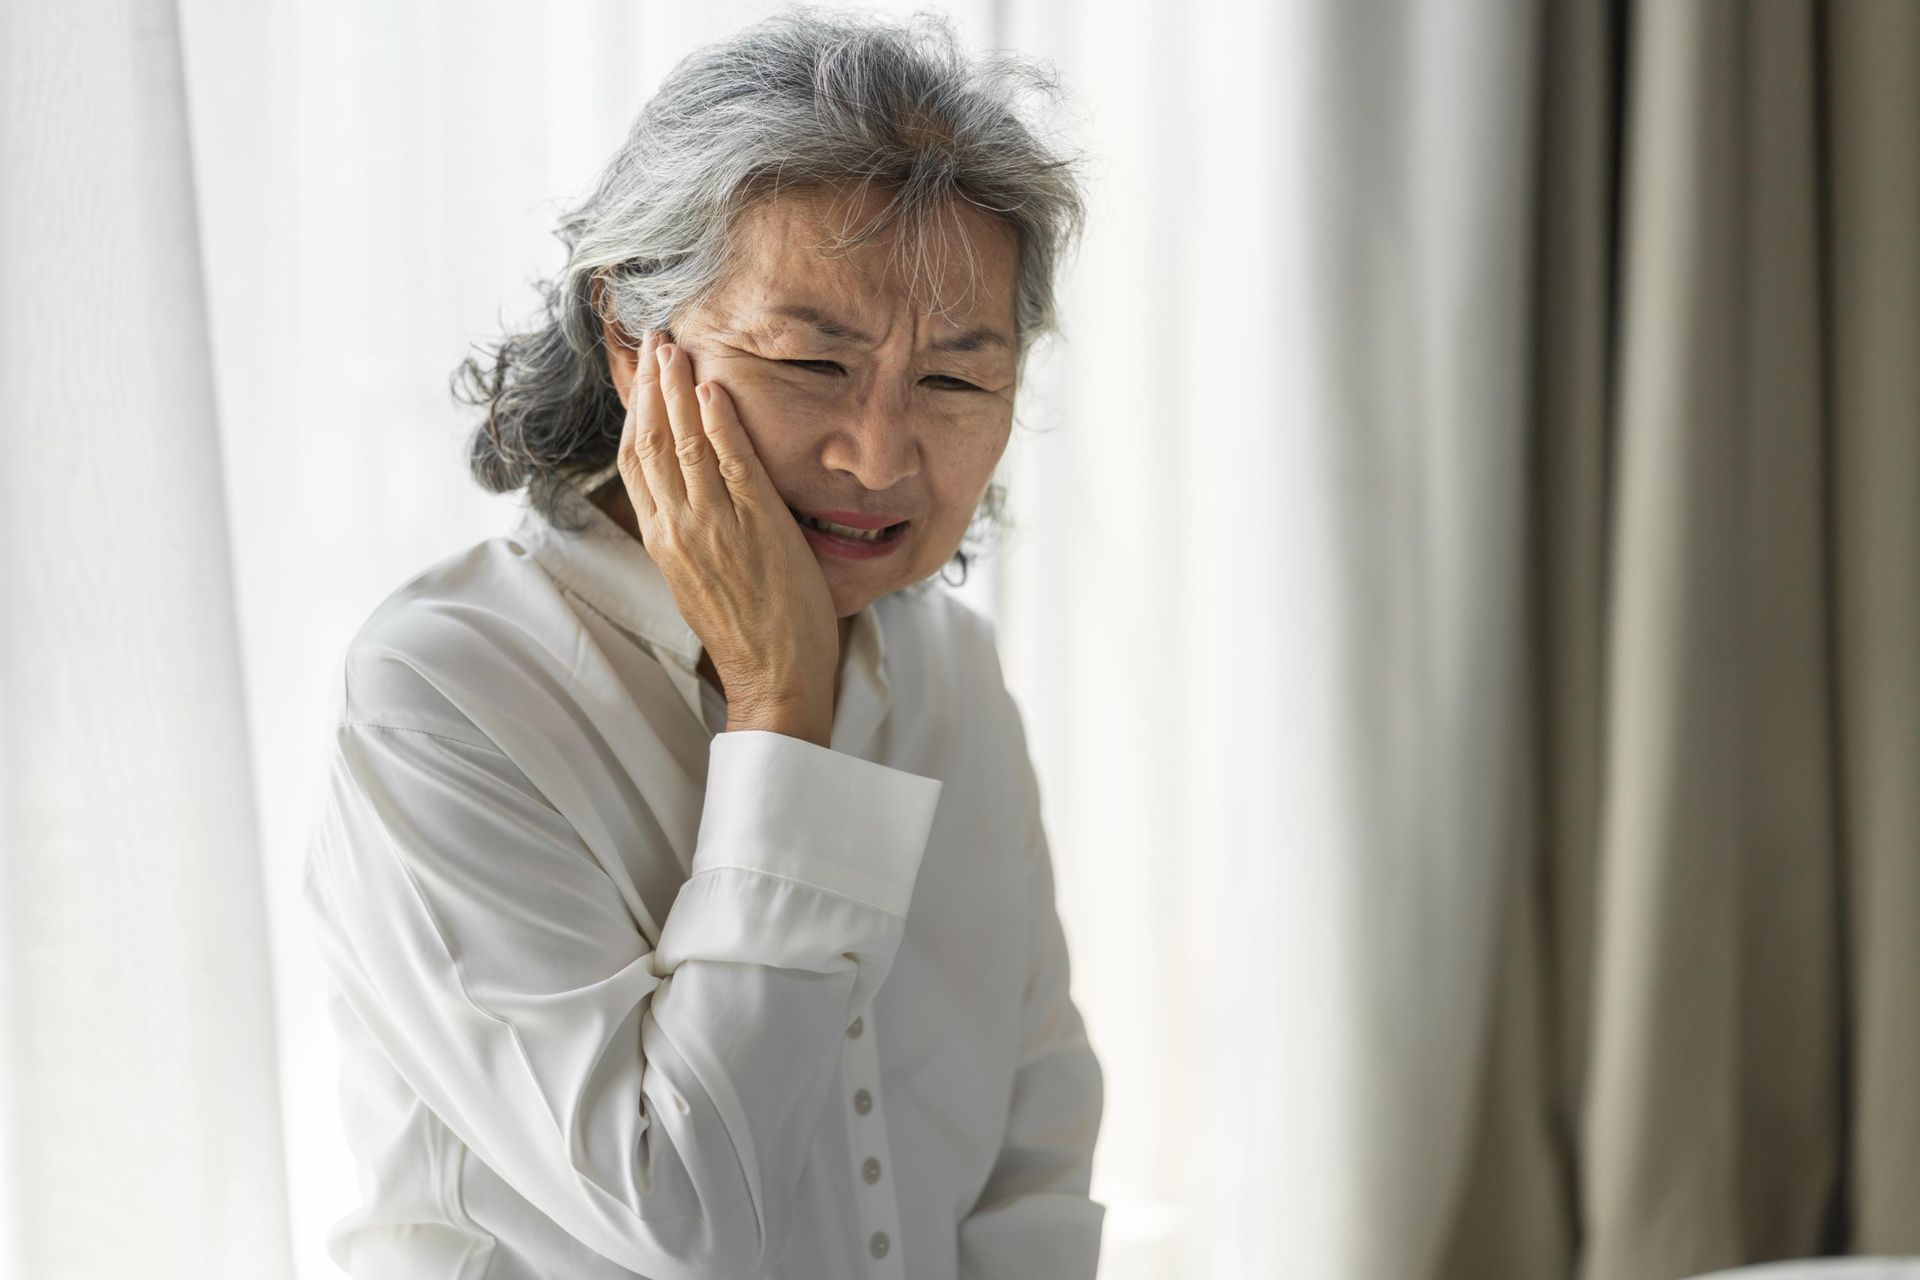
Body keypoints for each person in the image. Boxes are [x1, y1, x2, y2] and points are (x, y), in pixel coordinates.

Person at [301, 9, 1103, 1278]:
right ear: (633, 339)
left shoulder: (950, 670)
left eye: (956, 380)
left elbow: (1035, 1163)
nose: (881, 455)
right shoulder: (446, 691)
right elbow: (681, 1211)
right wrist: (782, 705)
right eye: (809, 361)